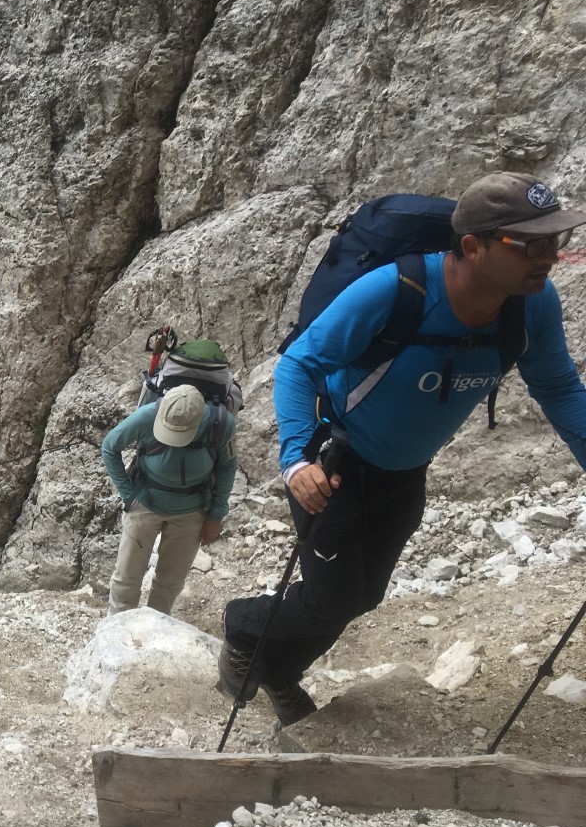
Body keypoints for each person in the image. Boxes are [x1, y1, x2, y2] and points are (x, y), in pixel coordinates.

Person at [220, 172, 586, 725]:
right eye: (530, 244)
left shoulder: (529, 306)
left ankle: (273, 668)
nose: (548, 257)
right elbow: (299, 363)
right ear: (473, 246)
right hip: (334, 466)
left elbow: (559, 389)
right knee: (332, 598)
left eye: (555, 241)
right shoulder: (396, 290)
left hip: (406, 472)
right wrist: (295, 458)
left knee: (362, 598)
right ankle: (243, 626)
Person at [101, 384, 237, 615]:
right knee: (126, 577)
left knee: (170, 582)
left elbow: (227, 467)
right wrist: (128, 495)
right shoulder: (146, 416)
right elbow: (109, 447)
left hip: (192, 511)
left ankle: (158, 627)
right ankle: (116, 628)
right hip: (144, 503)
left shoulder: (220, 424)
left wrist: (216, 515)